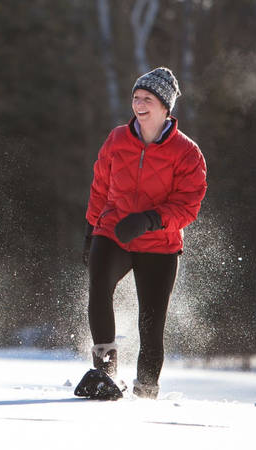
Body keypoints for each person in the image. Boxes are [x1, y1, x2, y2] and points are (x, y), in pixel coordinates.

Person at [76, 67, 207, 400]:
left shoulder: (187, 152)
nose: (139, 104)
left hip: (159, 243)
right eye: (136, 97)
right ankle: (104, 371)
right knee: (99, 283)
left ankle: (146, 391)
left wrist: (150, 219)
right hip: (114, 230)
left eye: (147, 98)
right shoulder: (117, 138)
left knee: (151, 322)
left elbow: (189, 205)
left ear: (166, 107)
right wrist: (92, 229)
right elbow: (100, 185)